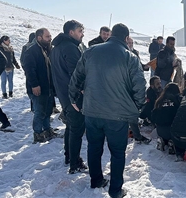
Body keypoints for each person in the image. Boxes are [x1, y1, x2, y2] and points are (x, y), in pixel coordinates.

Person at [69, 23, 146, 198]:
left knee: (94, 147)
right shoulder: (130, 57)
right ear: (126, 38)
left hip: (92, 111)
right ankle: (116, 190)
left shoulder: (90, 51)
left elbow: (76, 77)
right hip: (117, 115)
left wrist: (74, 98)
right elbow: (140, 86)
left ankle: (96, 180)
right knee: (118, 153)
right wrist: (138, 106)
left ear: (111, 35)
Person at [50, 20, 88, 173]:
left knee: (70, 127)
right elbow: (76, 75)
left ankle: (68, 156)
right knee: (77, 130)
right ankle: (75, 163)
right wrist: (82, 91)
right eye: (80, 31)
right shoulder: (70, 48)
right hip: (73, 96)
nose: (82, 34)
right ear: (71, 32)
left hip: (63, 94)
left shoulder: (57, 47)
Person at [22, 28, 59, 143]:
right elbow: (29, 70)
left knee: (48, 110)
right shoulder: (32, 51)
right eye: (47, 37)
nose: (50, 39)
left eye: (50, 36)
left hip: (48, 87)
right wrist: (34, 85)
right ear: (39, 38)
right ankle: (38, 133)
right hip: (38, 87)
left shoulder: (48, 49)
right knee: (39, 111)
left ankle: (47, 130)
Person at [126, 37, 151, 144]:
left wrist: (145, 67)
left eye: (132, 42)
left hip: (133, 86)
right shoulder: (122, 53)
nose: (131, 44)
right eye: (129, 43)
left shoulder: (135, 52)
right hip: (124, 85)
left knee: (132, 111)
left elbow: (138, 66)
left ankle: (135, 134)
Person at [151, 83, 181, 154]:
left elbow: (153, 116)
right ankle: (172, 142)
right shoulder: (178, 100)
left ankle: (164, 140)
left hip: (160, 130)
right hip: (173, 130)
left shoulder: (159, 101)